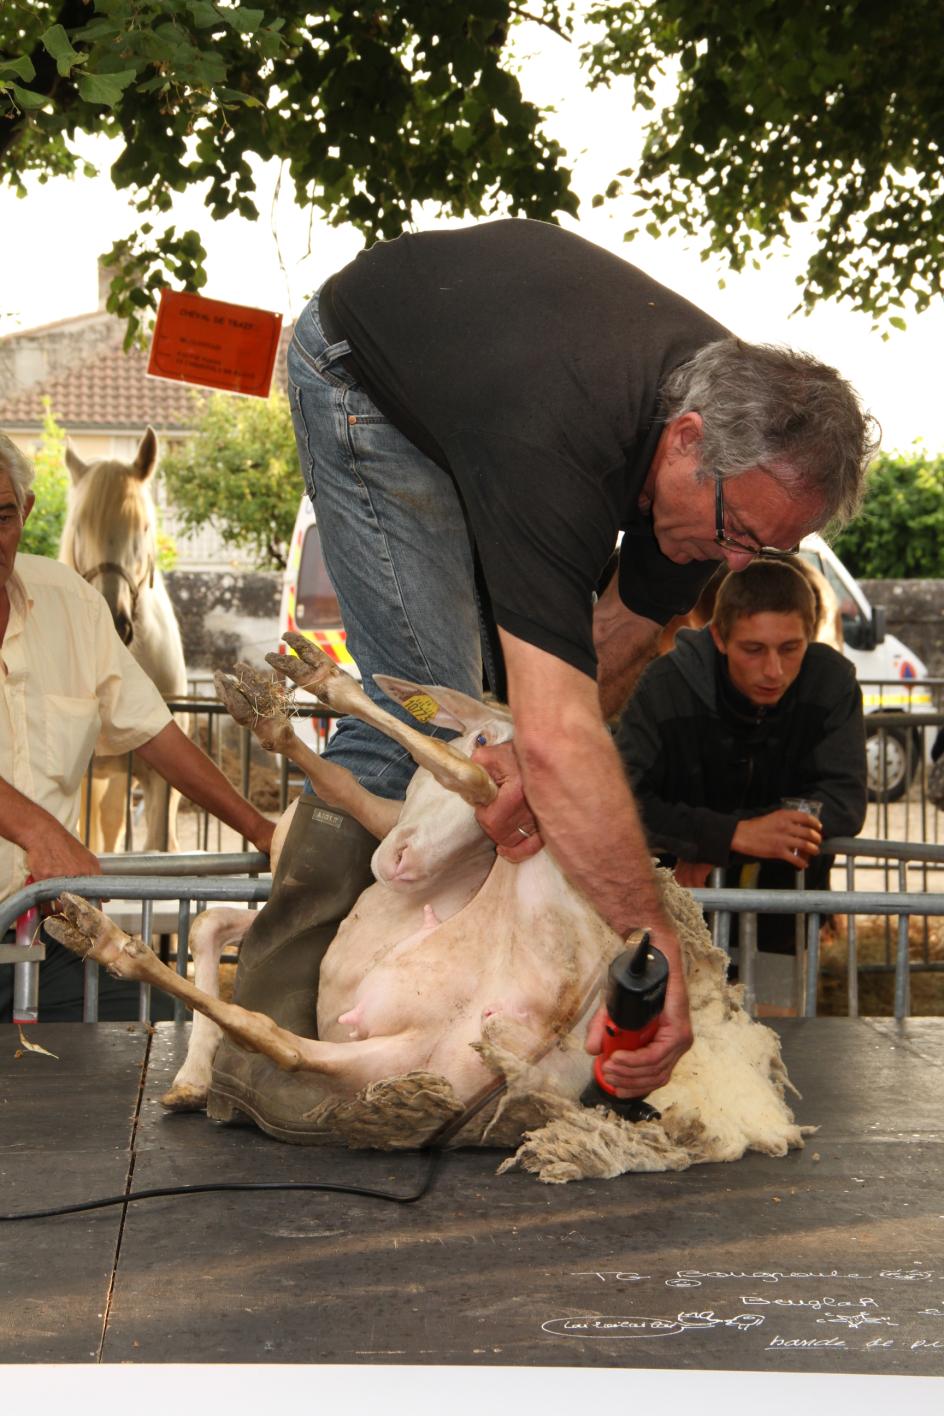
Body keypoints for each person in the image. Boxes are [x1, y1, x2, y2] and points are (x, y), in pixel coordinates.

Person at [211, 219, 877, 1134]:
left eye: (764, 548)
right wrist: (656, 955)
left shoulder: (715, 472)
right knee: (426, 706)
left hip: (483, 380)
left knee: (488, 735)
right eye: (735, 534)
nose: (733, 560)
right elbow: (560, 728)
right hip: (360, 365)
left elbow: (622, 638)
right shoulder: (560, 444)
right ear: (684, 442)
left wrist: (524, 758)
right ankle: (260, 1044)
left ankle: (403, 1018)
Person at [0, 433, 275, 1021]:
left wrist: (263, 830)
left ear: (24, 513)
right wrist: (37, 829)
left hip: (46, 940)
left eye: (0, 516)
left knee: (160, 1031)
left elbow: (156, 732)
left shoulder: (70, 604)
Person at [615, 558, 867, 997]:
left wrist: (722, 840)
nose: (774, 670)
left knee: (776, 1044)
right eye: (754, 649)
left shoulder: (833, 682)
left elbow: (844, 800)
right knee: (682, 1044)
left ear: (809, 635)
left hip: (782, 912)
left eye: (791, 648)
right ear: (718, 636)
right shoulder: (662, 686)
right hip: (671, 915)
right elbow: (621, 803)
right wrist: (733, 834)